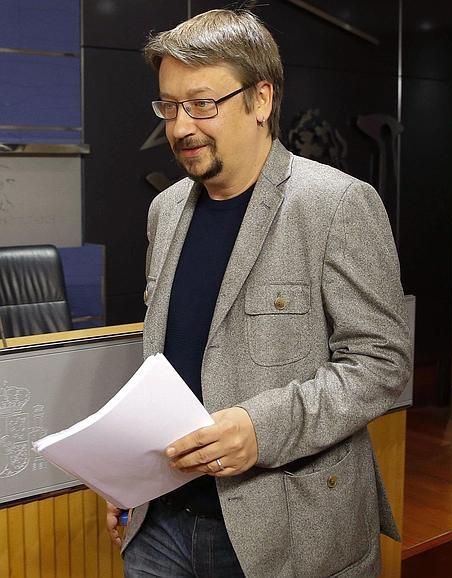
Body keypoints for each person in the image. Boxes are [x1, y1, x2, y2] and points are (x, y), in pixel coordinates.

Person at [106, 8, 412, 578]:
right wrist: (129, 475)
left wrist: (262, 429)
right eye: (169, 106)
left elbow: (383, 363)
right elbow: (169, 364)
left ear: (261, 99)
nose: (181, 127)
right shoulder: (165, 211)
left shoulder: (337, 204)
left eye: (202, 104)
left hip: (286, 530)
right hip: (159, 524)